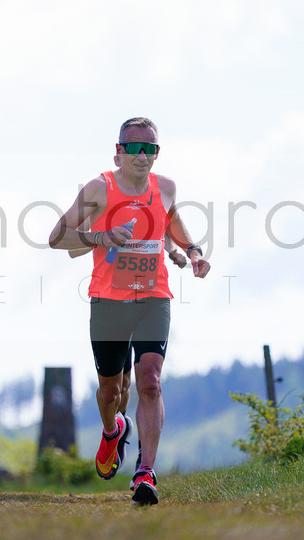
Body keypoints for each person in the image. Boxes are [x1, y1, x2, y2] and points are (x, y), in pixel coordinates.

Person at [48, 117, 210, 506]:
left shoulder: (165, 188)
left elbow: (172, 221)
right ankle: (112, 430)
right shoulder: (99, 188)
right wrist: (100, 236)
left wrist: (192, 251)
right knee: (111, 391)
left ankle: (145, 472)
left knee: (149, 382)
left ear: (157, 153)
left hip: (154, 297)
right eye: (134, 148)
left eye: (149, 148)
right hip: (108, 300)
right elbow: (56, 237)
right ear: (118, 152)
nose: (141, 155)